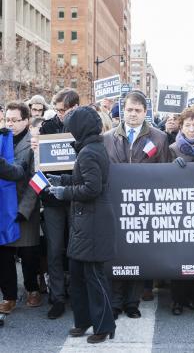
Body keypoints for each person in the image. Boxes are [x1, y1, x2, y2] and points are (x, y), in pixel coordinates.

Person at [48, 107, 116, 344]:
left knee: (94, 277)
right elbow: (85, 179)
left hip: (92, 224)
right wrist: (62, 179)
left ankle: (104, 325)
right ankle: (84, 320)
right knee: (77, 275)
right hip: (85, 223)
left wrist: (63, 191)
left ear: (80, 128)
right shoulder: (90, 149)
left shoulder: (88, 152)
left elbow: (92, 188)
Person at [103, 91, 170, 320]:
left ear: (145, 112)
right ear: (123, 110)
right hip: (115, 205)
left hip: (144, 206)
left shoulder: (159, 138)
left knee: (138, 254)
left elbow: (165, 172)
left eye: (137, 110)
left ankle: (132, 301)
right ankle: (115, 301)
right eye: (129, 109)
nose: (132, 114)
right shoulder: (108, 137)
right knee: (117, 253)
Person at [31, 88, 80, 319]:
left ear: (75, 108)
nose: (61, 114)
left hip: (74, 196)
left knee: (76, 248)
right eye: (58, 110)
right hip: (51, 199)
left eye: (66, 110)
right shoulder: (46, 129)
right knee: (54, 249)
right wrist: (36, 152)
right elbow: (37, 167)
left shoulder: (82, 128)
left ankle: (78, 294)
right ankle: (57, 297)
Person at [0, 102, 41, 314]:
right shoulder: (2, 138)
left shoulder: (33, 143)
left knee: (29, 253)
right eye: (8, 119)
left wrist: (24, 209)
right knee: (4, 254)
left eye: (16, 120)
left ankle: (33, 289)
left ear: (26, 120)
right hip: (3, 208)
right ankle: (8, 296)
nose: (11, 124)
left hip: (26, 205)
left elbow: (37, 178)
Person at [169, 107, 194, 315]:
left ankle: (191, 297)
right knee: (179, 255)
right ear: (181, 127)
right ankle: (177, 300)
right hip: (178, 208)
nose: (192, 129)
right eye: (188, 125)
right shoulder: (173, 148)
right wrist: (173, 166)